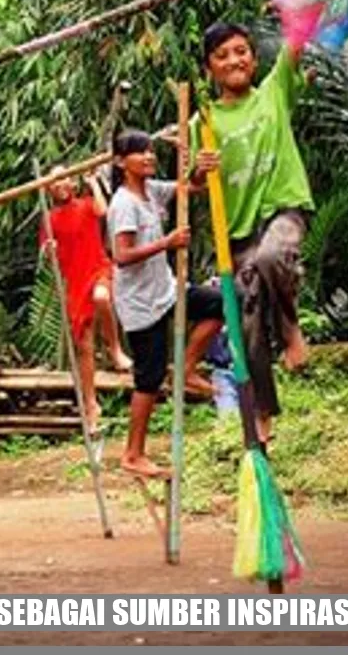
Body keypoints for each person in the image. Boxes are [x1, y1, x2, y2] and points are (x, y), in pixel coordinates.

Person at [190, 0, 315, 444]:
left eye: (242, 51)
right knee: (245, 329)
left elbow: (299, 35)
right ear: (211, 68)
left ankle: (292, 329)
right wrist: (198, 173)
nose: (235, 59)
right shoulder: (205, 120)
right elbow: (192, 185)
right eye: (223, 54)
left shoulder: (273, 94)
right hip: (236, 233)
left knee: (272, 257)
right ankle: (263, 409)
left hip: (283, 210)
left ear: (254, 60)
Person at [107, 129, 224, 478]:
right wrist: (168, 243)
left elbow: (193, 188)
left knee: (218, 305)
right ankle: (132, 454)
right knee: (149, 377)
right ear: (120, 162)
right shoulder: (124, 203)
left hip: (167, 290)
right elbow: (121, 255)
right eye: (138, 153)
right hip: (140, 303)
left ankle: (186, 370)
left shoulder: (152, 191)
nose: (147, 157)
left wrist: (195, 161)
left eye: (149, 151)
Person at [39, 166, 133, 434]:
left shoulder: (88, 203)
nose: (62, 184)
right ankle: (91, 405)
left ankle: (115, 349)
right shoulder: (50, 219)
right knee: (85, 346)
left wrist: (92, 181)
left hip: (97, 268)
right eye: (55, 181)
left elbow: (104, 212)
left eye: (65, 178)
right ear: (49, 189)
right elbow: (47, 254)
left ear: (73, 181)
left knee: (103, 297)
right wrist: (50, 250)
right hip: (75, 281)